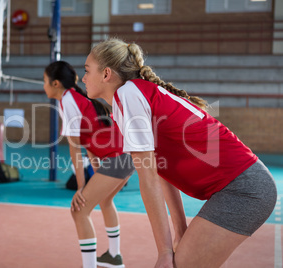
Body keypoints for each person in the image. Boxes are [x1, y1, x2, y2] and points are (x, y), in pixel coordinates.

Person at [82, 38, 277, 267]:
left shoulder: (129, 95)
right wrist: (179, 232)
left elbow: (149, 179)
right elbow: (163, 171)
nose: (83, 78)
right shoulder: (134, 95)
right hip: (243, 187)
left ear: (106, 74)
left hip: (244, 190)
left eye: (87, 71)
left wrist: (164, 251)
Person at [44, 61, 135, 268]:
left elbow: (74, 148)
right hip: (127, 156)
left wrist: (80, 187)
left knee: (79, 210)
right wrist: (94, 175)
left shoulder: (68, 101)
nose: (43, 86)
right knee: (104, 201)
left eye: (44, 81)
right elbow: (89, 146)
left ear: (56, 83)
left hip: (118, 158)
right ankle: (114, 255)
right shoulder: (77, 98)